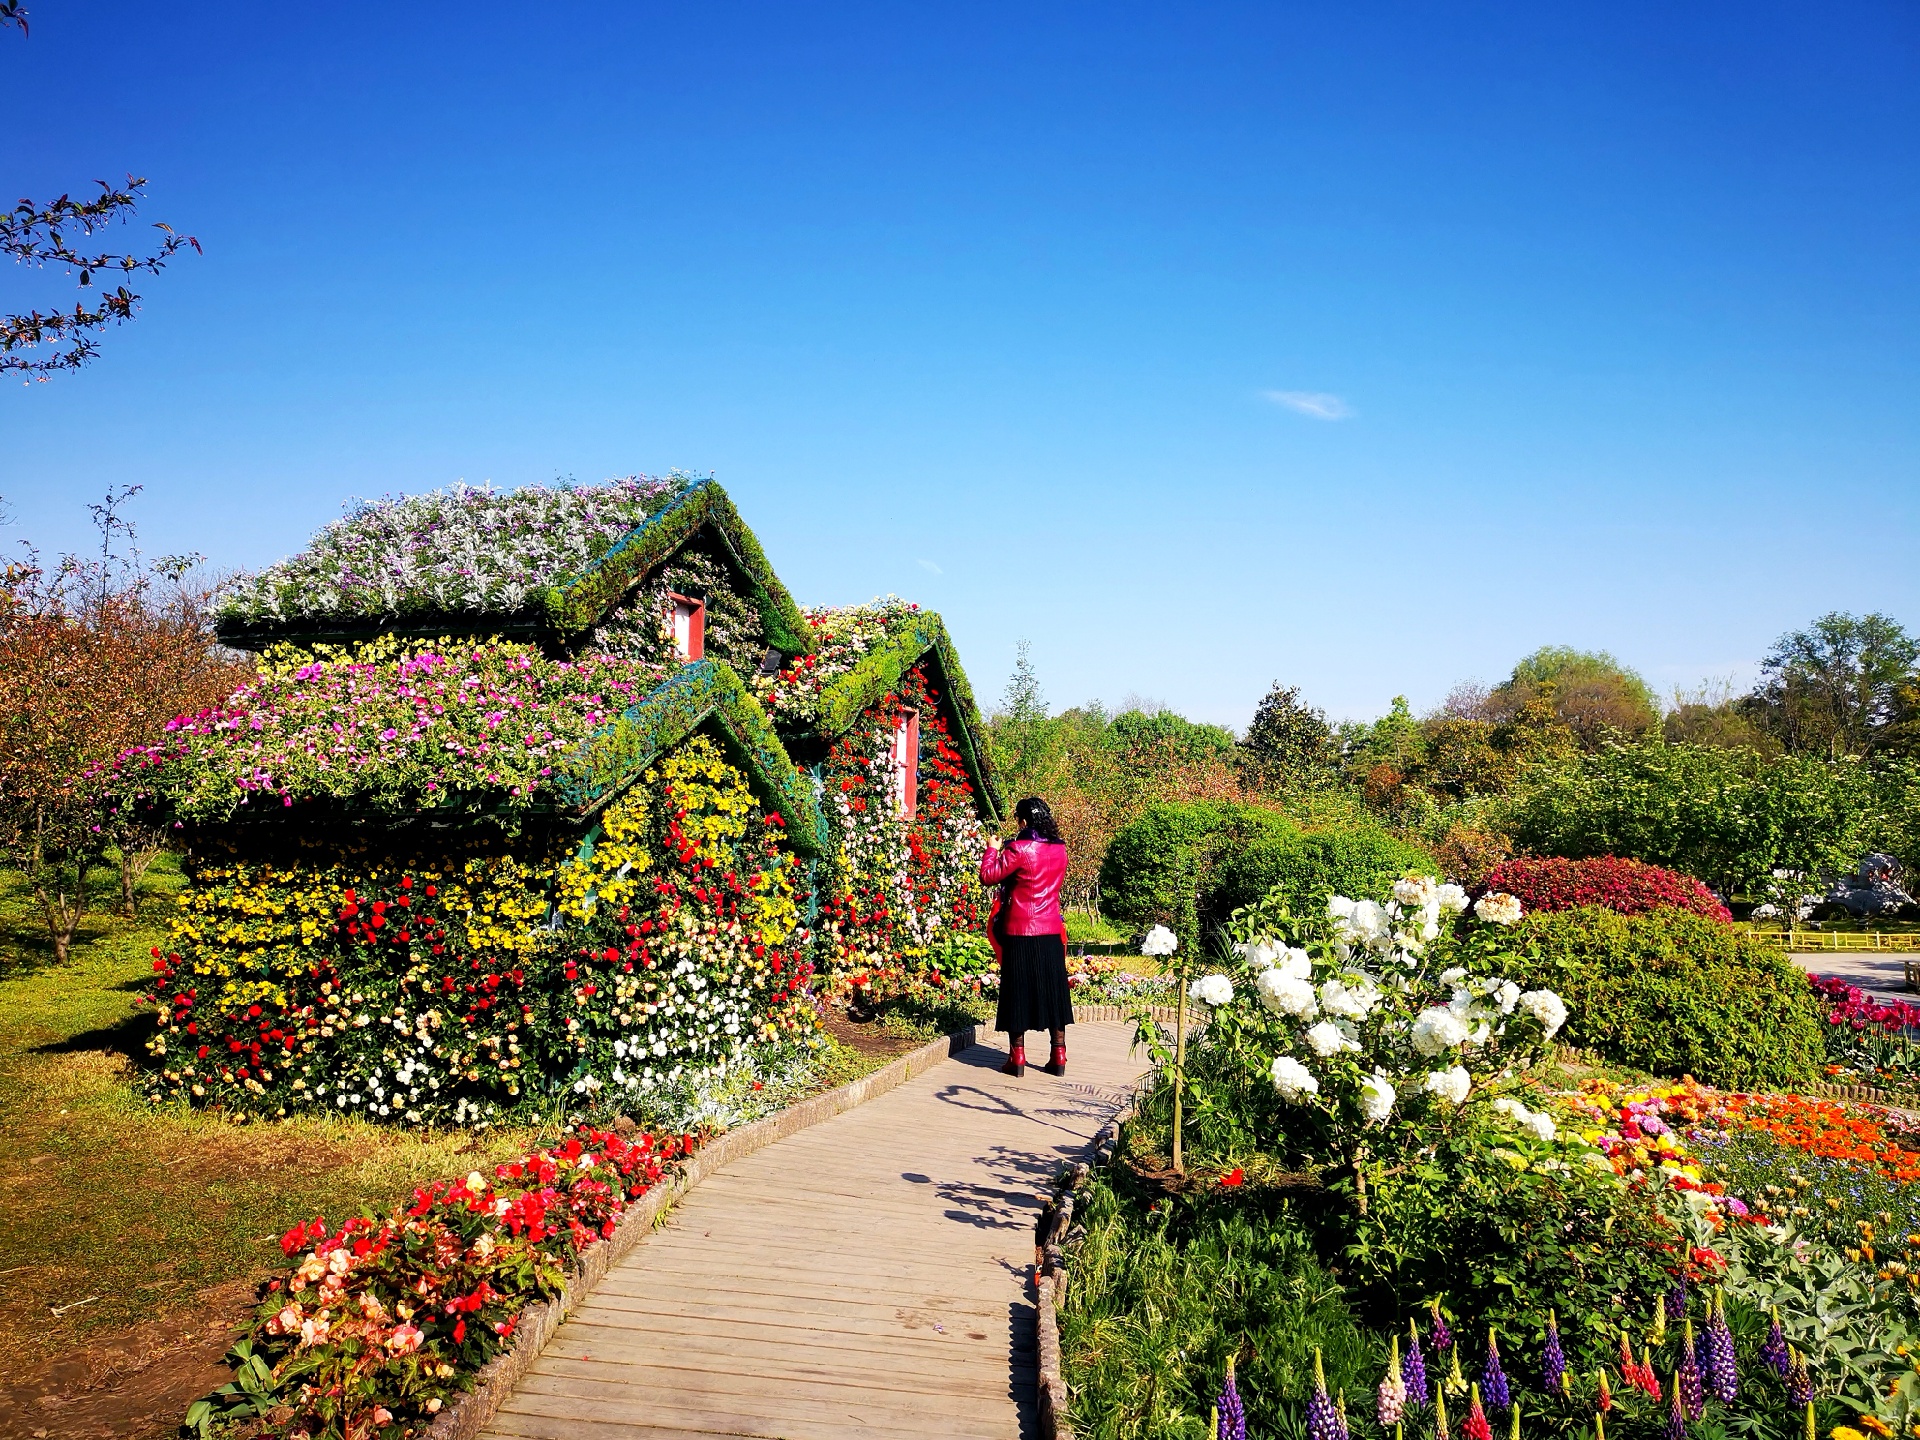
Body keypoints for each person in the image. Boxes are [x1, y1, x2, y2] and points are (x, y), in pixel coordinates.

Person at [979, 796, 1071, 1077]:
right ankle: (1059, 1054)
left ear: (1023, 820)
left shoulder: (1018, 849)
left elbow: (989, 876)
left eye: (1018, 819)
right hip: (1050, 928)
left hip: (1020, 929)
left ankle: (1017, 1057)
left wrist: (992, 849)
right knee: (1054, 992)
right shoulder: (1060, 849)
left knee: (1016, 991)